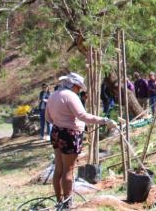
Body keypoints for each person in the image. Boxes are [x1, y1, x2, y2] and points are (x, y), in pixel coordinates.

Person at [46, 72, 116, 208]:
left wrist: (61, 121)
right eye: (78, 87)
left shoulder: (53, 95)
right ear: (73, 85)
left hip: (56, 132)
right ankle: (67, 203)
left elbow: (48, 118)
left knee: (59, 168)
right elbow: (82, 116)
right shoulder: (71, 96)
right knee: (68, 170)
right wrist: (104, 120)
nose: (79, 90)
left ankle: (60, 201)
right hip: (70, 135)